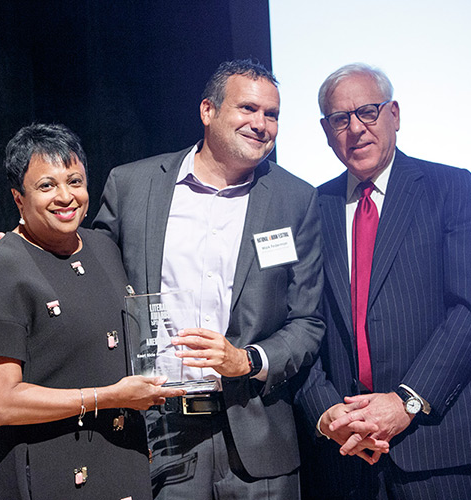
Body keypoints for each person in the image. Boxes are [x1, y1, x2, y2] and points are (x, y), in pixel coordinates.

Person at [93, 59, 325, 499]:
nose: (261, 124)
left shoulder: (296, 199)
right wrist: (19, 254)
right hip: (159, 434)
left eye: (271, 114)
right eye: (248, 109)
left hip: (258, 438)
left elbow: (308, 321)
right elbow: (85, 274)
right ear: (207, 111)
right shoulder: (132, 185)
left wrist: (249, 360)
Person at [0, 123, 185, 500]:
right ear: (19, 199)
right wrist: (108, 396)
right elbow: (0, 404)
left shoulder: (104, 245)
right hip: (48, 471)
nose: (65, 197)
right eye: (46, 186)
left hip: (124, 461)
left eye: (75, 181)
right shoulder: (1, 267)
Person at [294, 63, 471, 499]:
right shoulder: (313, 207)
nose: (355, 128)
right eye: (340, 119)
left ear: (394, 114)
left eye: (368, 112)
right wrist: (328, 413)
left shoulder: (452, 188)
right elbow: (298, 320)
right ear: (326, 130)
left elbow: (466, 309)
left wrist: (407, 400)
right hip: (345, 455)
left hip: (434, 449)